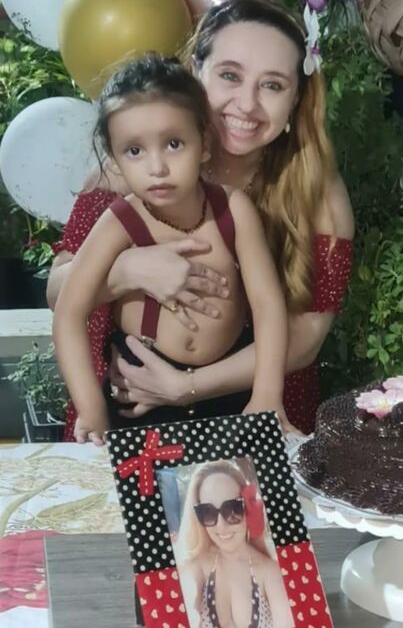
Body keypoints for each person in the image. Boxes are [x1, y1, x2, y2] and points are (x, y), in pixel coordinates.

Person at [48, 0, 354, 437]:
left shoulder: (314, 193)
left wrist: (184, 387)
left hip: (251, 402)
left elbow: (304, 339)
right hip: (129, 398)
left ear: (295, 100)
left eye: (272, 85)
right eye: (230, 75)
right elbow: (59, 296)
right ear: (196, 71)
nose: (246, 104)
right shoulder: (124, 176)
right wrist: (126, 270)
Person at [52, 54, 288, 445]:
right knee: (147, 486)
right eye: (134, 151)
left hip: (227, 395)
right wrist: (91, 408)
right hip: (139, 395)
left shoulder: (233, 209)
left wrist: (266, 393)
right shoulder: (118, 222)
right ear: (114, 157)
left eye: (173, 144)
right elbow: (68, 313)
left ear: (205, 144)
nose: (157, 167)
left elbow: (267, 304)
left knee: (232, 484)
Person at [174, 460, 293, 628]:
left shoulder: (270, 571)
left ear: (249, 508)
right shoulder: (195, 566)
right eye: (207, 512)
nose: (221, 526)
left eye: (232, 509)